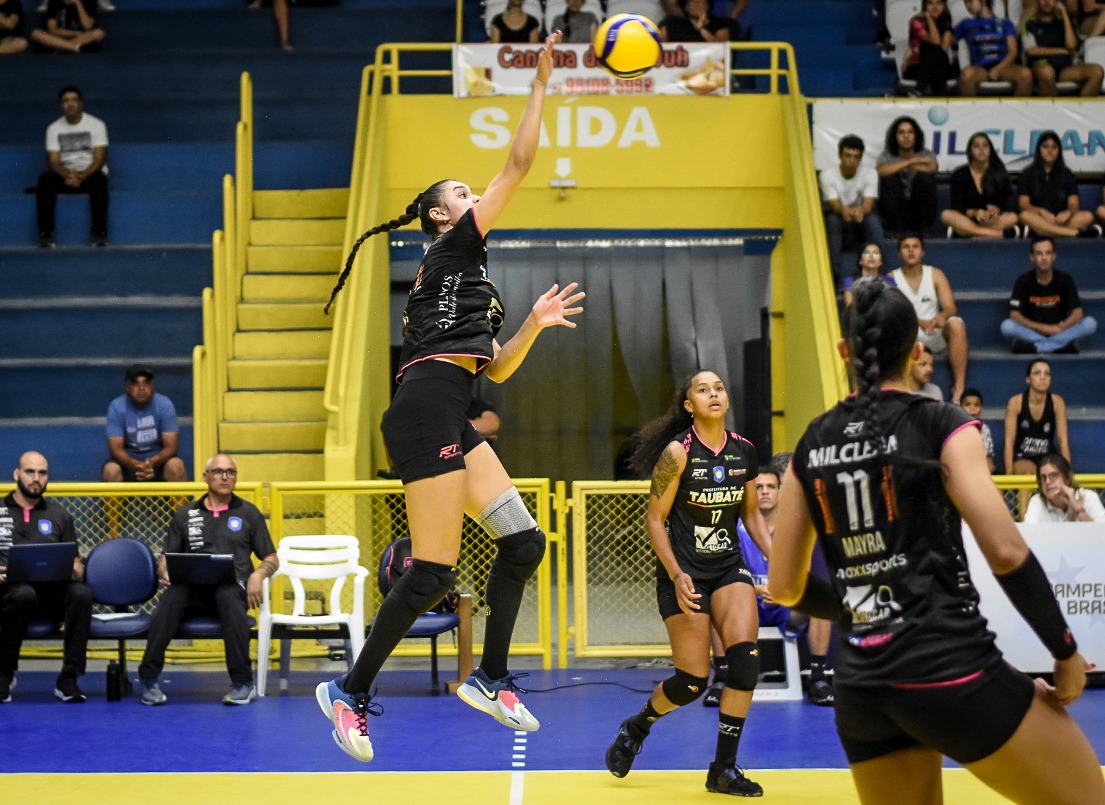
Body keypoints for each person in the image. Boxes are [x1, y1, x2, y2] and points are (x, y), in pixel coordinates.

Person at [315, 34, 584, 764]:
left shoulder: (469, 280)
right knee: (433, 571)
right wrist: (542, 83)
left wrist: (530, 323)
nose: (474, 198)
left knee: (524, 541)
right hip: (426, 406)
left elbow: (493, 369)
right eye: (461, 193)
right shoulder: (453, 248)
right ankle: (349, 692)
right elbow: (521, 163)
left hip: (451, 403)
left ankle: (490, 677)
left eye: (471, 193)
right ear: (441, 216)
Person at [768, 277, 1105, 805]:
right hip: (950, 671)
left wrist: (866, 608)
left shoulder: (812, 443)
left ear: (844, 353)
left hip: (862, 689)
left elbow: (785, 588)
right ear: (917, 350)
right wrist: (1063, 651)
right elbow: (1007, 550)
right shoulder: (943, 423)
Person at [604, 370, 771, 797]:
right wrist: (677, 574)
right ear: (688, 405)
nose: (713, 394)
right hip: (684, 572)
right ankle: (638, 724)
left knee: (746, 664)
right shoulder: (677, 454)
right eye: (703, 389)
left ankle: (723, 769)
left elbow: (751, 516)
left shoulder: (744, 452)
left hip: (728, 568)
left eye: (719, 388)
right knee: (693, 682)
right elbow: (654, 519)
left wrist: (777, 564)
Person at [136, 454, 277, 706]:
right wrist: (164, 569)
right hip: (192, 590)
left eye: (231, 472)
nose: (225, 476)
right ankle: (148, 679)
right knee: (172, 597)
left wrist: (258, 573)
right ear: (206, 477)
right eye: (219, 471)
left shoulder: (248, 513)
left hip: (231, 590)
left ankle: (243, 684)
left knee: (228, 594)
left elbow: (271, 557)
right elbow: (166, 557)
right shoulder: (185, 514)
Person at [733, 465, 836, 707]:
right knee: (713, 597)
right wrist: (755, 589)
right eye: (759, 487)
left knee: (821, 603)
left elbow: (804, 573)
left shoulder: (794, 528)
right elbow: (727, 571)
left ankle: (817, 677)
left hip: (785, 608)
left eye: (771, 487)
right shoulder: (735, 526)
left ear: (781, 492)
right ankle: (724, 676)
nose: (765, 492)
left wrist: (783, 595)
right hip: (748, 606)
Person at [0, 451, 92, 704]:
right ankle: (4, 675)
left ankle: (69, 678)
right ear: (17, 474)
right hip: (9, 596)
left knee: (81, 593)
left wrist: (72, 569)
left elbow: (78, 568)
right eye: (30, 472)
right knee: (22, 593)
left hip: (50, 596)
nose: (36, 479)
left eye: (42, 473)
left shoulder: (59, 515)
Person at [889, 234, 969, 403]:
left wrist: (942, 316)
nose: (911, 251)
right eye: (906, 247)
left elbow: (950, 307)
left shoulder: (935, 274)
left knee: (956, 324)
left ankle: (959, 389)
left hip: (934, 333)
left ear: (923, 252)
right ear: (899, 253)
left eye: (915, 246)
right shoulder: (892, 277)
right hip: (908, 337)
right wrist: (918, 322)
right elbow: (892, 311)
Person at [36, 85, 109, 249]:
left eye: (74, 100)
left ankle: (99, 234)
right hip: (66, 176)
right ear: (61, 105)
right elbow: (53, 161)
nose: (70, 104)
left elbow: (99, 158)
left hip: (90, 174)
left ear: (80, 104)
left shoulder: (97, 125)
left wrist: (82, 175)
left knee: (100, 179)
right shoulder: (53, 129)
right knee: (45, 180)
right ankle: (46, 235)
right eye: (65, 101)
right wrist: (68, 175)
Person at [1000, 236, 1097, 354]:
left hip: (1060, 330)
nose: (1044, 258)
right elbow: (1014, 314)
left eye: (1048, 253)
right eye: (1039, 254)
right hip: (1033, 331)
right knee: (1007, 326)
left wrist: (1060, 328)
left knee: (1090, 323)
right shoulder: (1023, 281)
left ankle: (1038, 347)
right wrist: (1042, 328)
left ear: (1054, 256)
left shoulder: (1065, 279)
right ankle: (1061, 345)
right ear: (1032, 257)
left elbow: (1078, 312)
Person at [102, 364, 188, 484]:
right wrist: (137, 465)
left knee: (176, 466)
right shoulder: (116, 407)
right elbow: (115, 449)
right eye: (135, 383)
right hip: (128, 465)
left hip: (158, 464)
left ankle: (182, 504)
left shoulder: (164, 404)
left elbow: (171, 446)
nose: (141, 388)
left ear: (152, 386)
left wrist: (151, 463)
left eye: (146, 383)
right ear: (128, 387)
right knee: (111, 470)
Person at [821, 135, 883, 284]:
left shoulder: (870, 173)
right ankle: (833, 275)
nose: (851, 160)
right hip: (839, 217)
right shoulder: (827, 174)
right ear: (839, 155)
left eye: (856, 156)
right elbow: (834, 205)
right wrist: (845, 211)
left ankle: (878, 272)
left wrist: (860, 211)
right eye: (848, 155)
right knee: (832, 221)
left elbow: (868, 204)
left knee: (873, 221)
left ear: (860, 158)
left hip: (861, 217)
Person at [1017, 130, 1098, 238]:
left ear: (1059, 150)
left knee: (1088, 216)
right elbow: (1024, 205)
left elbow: (1074, 203)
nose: (1050, 151)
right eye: (1045, 147)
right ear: (1039, 150)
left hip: (1061, 220)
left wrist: (1068, 213)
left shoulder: (1067, 173)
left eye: (1054, 147)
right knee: (1024, 216)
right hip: (1039, 218)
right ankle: (1074, 233)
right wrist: (1041, 211)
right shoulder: (1027, 173)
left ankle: (1042, 231)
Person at [940, 132, 1019, 239]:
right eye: (976, 146)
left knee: (1013, 217)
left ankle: (976, 233)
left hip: (992, 221)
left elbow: (1007, 204)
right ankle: (995, 234)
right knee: (946, 215)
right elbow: (957, 206)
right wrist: (974, 212)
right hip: (968, 220)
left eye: (985, 146)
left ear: (990, 150)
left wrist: (997, 211)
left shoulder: (999, 172)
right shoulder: (959, 174)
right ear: (970, 151)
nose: (981, 149)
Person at [1003, 358, 1070, 479]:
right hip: (1023, 456)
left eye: (1047, 373)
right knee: (1027, 476)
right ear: (1028, 379)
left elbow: (1063, 441)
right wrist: (1009, 477)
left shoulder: (1058, 402)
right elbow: (1009, 442)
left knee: (1054, 478)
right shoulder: (1015, 402)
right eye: (1037, 373)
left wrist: (1068, 473)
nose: (1043, 377)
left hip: (1047, 456)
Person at [1022, 0, 1104, 95]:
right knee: (1047, 73)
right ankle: (1051, 109)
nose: (1047, 2)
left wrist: (1064, 13)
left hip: (1064, 69)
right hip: (1040, 66)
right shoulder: (1029, 24)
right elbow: (1031, 50)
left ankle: (1077, 108)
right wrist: (1062, 51)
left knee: (1097, 72)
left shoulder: (1065, 23)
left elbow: (1071, 46)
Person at [953, 0, 1033, 96]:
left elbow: (1013, 51)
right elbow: (950, 39)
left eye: (970, 1)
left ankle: (1016, 109)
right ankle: (974, 110)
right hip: (980, 68)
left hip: (1003, 67)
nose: (967, 6)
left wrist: (997, 69)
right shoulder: (965, 24)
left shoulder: (1005, 23)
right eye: (965, 3)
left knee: (1026, 75)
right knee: (966, 75)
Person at [876, 116, 938, 238]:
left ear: (916, 136)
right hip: (895, 210)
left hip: (918, 209)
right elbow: (881, 170)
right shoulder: (887, 155)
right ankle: (896, 232)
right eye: (901, 132)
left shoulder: (926, 153)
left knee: (926, 179)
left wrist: (898, 165)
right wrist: (910, 162)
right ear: (895, 136)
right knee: (889, 179)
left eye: (910, 132)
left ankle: (924, 231)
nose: (906, 136)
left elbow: (932, 167)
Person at [1024, 453, 1105, 523]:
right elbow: (1028, 537)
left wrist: (1077, 508)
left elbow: (1101, 535)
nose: (1047, 482)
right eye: (1043, 478)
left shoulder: (1088, 497)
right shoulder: (1037, 502)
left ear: (1067, 478)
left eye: (1053, 475)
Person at [902, 0, 955, 96]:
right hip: (917, 67)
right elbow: (936, 41)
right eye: (930, 3)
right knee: (928, 46)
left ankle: (919, 91)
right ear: (924, 5)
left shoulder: (946, 23)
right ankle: (940, 98)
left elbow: (943, 49)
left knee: (934, 52)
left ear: (944, 6)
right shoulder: (916, 22)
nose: (935, 7)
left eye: (939, 3)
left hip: (938, 65)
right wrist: (929, 18)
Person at [30, 0, 103, 53]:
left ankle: (61, 47)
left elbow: (88, 26)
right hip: (58, 37)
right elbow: (52, 29)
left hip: (81, 38)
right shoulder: (54, 2)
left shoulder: (89, 2)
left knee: (98, 33)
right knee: (36, 33)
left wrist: (78, 3)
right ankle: (73, 48)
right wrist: (75, 33)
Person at [842, 242, 896, 308]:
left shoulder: (888, 281)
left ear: (881, 262)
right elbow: (850, 309)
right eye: (867, 253)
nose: (871, 256)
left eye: (876, 253)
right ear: (860, 261)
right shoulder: (850, 281)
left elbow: (893, 307)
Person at [960, 388, 996, 473]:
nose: (972, 408)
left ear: (982, 409)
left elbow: (988, 457)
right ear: (960, 407)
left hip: (981, 466)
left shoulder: (984, 429)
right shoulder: (955, 428)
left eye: (976, 405)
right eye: (967, 405)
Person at [660, 0, 731, 42]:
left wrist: (701, 30)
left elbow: (722, 48)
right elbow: (658, 42)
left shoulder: (719, 24)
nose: (697, 5)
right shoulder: (672, 23)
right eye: (693, 2)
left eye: (700, 2)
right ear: (686, 6)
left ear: (707, 5)